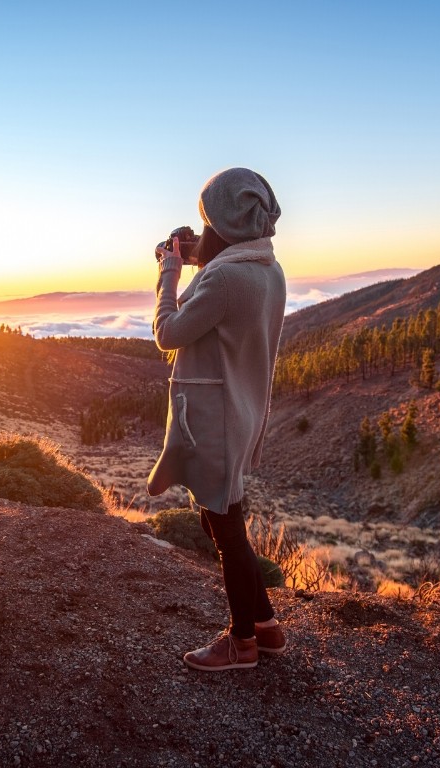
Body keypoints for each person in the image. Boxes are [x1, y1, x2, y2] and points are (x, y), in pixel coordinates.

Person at [148, 167, 288, 671]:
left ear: (222, 217)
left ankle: (241, 641)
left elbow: (169, 333)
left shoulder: (226, 278)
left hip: (216, 419)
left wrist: (168, 273)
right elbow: (228, 299)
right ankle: (267, 626)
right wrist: (194, 258)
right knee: (224, 524)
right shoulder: (267, 269)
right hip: (241, 412)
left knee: (225, 531)